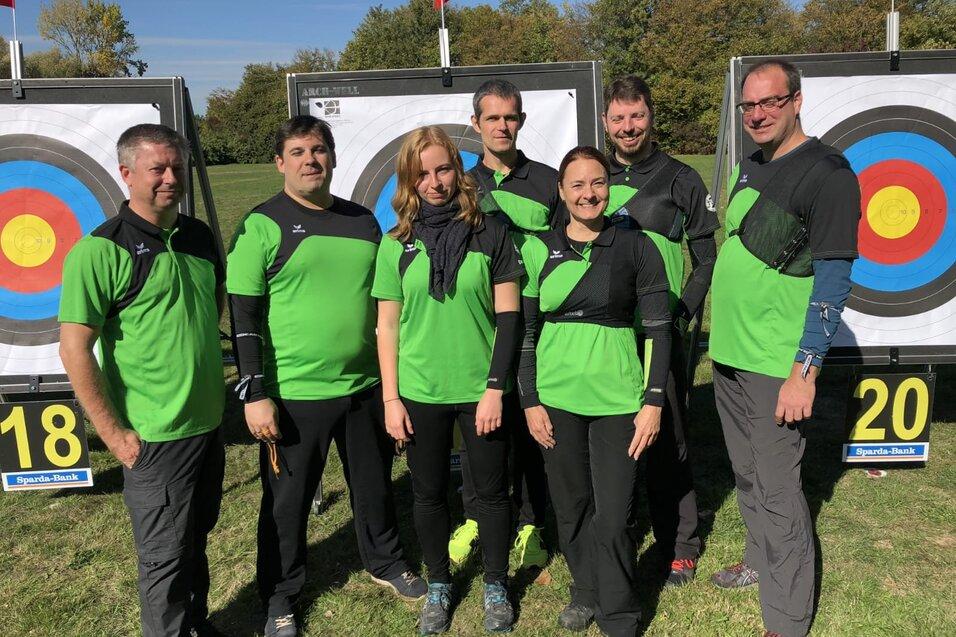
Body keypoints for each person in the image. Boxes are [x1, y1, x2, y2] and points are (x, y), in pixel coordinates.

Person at [227, 116, 425, 637]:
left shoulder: (364, 222)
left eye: (318, 150)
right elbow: (243, 316)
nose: (309, 160)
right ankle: (280, 596)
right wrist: (254, 392)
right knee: (286, 505)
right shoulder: (262, 224)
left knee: (374, 486)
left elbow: (387, 302)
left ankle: (384, 561)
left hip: (364, 387)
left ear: (333, 157)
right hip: (294, 394)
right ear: (279, 163)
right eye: (297, 151)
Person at [708, 59, 860, 637]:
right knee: (747, 473)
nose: (758, 115)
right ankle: (757, 559)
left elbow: (832, 282)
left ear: (797, 100)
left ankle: (788, 618)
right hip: (730, 352)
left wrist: (805, 371)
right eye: (748, 106)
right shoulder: (749, 164)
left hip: (776, 363)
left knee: (777, 487)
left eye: (770, 102)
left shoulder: (828, 173)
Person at [59, 124, 227, 637]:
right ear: (127, 174)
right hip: (153, 437)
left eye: (176, 167)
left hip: (208, 424)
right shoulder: (100, 250)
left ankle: (195, 625)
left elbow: (210, 304)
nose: (170, 178)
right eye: (157, 169)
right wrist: (113, 434)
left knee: (195, 539)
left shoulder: (198, 236)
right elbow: (75, 349)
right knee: (164, 561)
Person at [373, 126, 524, 635]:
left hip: (480, 391)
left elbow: (509, 319)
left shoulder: (491, 233)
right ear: (408, 181)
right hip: (419, 392)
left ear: (458, 172)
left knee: (491, 494)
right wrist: (391, 399)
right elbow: (388, 326)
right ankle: (439, 583)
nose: (434, 182)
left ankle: (496, 584)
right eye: (422, 174)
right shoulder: (396, 244)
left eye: (442, 169)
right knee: (428, 494)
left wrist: (495, 387)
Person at [518, 146, 672, 636]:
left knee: (614, 514)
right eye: (578, 184)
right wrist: (529, 400)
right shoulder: (537, 248)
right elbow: (523, 334)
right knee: (572, 506)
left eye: (598, 182)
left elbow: (660, 331)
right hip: (556, 400)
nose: (590, 194)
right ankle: (585, 591)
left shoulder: (637, 246)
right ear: (561, 193)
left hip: (619, 402)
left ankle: (620, 613)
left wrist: (652, 402)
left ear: (610, 187)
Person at [602, 75, 720, 586]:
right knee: (614, 435)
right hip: (605, 334)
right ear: (606, 123)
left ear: (651, 117)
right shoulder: (593, 176)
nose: (629, 128)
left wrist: (682, 312)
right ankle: (621, 531)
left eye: (638, 116)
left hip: (660, 332)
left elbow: (706, 259)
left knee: (669, 435)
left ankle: (681, 541)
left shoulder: (680, 179)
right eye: (619, 118)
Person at [448, 78, 557, 570]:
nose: (502, 126)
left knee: (532, 417)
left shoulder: (549, 180)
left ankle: (531, 521)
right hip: (479, 325)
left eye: (510, 117)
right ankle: (476, 515)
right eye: (492, 118)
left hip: (536, 321)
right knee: (482, 427)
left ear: (522, 121)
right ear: (476, 124)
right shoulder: (460, 187)